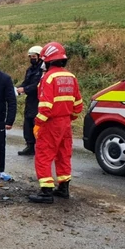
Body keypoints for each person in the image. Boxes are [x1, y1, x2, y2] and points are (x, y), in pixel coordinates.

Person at [29, 42, 83, 204]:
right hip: (66, 123)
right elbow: (78, 105)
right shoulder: (71, 77)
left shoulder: (48, 78)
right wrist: (69, 118)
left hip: (51, 123)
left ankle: (46, 192)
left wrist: (38, 124)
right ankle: (63, 188)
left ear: (48, 60)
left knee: (44, 155)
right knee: (63, 154)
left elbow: (45, 107)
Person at [17, 46, 45, 156]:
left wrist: (25, 89)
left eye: (34, 57)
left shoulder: (43, 70)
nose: (32, 59)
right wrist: (18, 89)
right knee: (28, 122)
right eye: (31, 57)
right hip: (30, 100)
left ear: (39, 56)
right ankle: (30, 146)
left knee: (37, 123)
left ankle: (40, 147)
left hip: (39, 100)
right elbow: (26, 82)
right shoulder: (30, 69)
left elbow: (39, 85)